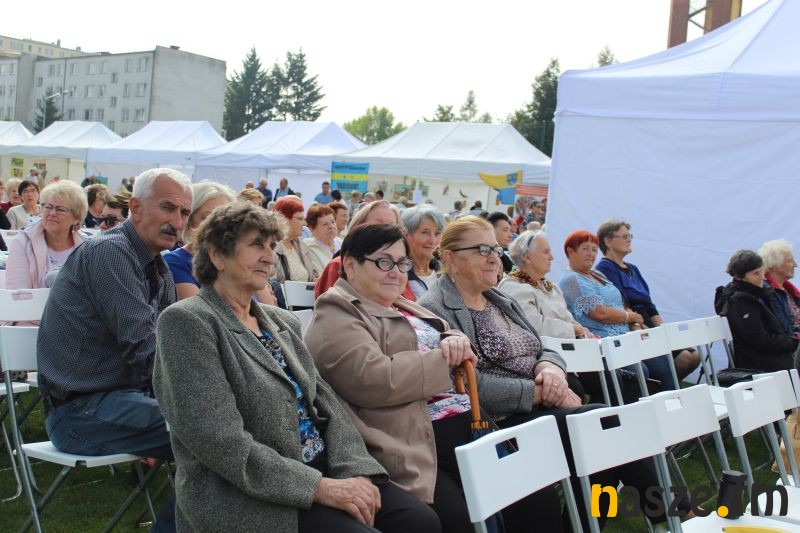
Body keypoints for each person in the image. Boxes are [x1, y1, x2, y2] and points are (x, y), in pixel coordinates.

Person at [154, 204, 435, 533]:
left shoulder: (280, 321)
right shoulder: (187, 322)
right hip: (251, 493)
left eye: (272, 246)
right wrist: (320, 488)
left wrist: (356, 471)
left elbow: (327, 405)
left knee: (420, 521)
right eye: (256, 245)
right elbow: (220, 441)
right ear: (217, 255)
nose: (269, 257)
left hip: (323, 467)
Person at [418, 216, 678, 530]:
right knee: (606, 425)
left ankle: (593, 523)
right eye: (481, 250)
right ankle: (673, 513)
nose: (494, 258)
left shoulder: (499, 299)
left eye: (496, 249)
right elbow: (462, 384)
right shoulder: (435, 309)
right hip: (496, 424)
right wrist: (539, 393)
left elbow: (543, 346)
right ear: (449, 258)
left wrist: (550, 369)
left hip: (538, 410)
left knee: (605, 456)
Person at [306, 224, 491, 532]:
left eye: (402, 263)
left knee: (528, 497)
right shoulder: (337, 310)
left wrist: (455, 339)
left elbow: (443, 330)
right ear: (350, 265)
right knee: (464, 518)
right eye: (383, 262)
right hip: (409, 442)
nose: (396, 272)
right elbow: (374, 378)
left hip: (466, 423)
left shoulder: (399, 303)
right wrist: (445, 361)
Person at [36, 168, 192, 530]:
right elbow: (148, 351)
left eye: (184, 212)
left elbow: (175, 345)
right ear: (135, 207)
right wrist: (211, 395)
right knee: (211, 434)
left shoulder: (156, 266)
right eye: (168, 207)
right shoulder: (111, 253)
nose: (177, 221)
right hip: (79, 413)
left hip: (123, 399)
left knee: (221, 432)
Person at [594, 220, 700, 388]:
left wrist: (663, 330)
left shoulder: (633, 269)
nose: (629, 239)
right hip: (634, 325)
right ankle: (662, 389)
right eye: (624, 236)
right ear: (608, 241)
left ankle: (658, 388)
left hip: (648, 322)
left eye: (630, 236)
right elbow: (620, 303)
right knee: (684, 358)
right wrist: (645, 328)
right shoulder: (604, 269)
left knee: (693, 356)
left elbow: (650, 305)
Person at [558, 230, 648, 402]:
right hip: (603, 345)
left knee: (664, 361)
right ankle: (616, 412)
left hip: (626, 336)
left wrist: (635, 324)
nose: (591, 254)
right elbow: (600, 313)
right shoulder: (570, 281)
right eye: (585, 248)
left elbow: (620, 301)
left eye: (594, 249)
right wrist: (632, 318)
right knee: (641, 372)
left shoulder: (597, 274)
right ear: (570, 251)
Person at [716, 250, 799, 371]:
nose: (762, 277)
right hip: (761, 364)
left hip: (774, 356)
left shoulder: (758, 293)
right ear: (739, 276)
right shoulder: (740, 302)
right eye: (756, 273)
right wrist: (794, 341)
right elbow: (761, 342)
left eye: (762, 271)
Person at [498, 230, 590, 339]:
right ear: (527, 257)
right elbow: (532, 326)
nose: (551, 257)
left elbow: (568, 319)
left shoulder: (552, 288)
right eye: (546, 252)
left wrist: (582, 331)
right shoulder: (513, 287)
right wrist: (574, 329)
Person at [313, 200, 413, 300]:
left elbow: (409, 301)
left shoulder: (398, 267)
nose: (385, 231)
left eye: (391, 226)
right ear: (358, 227)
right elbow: (332, 304)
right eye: (377, 225)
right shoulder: (339, 265)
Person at [6, 181, 89, 290]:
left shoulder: (88, 247)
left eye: (60, 209)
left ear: (76, 217)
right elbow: (17, 293)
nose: (52, 213)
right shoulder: (24, 243)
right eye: (48, 207)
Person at [163, 180, 236, 300]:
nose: (220, 224)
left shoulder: (236, 261)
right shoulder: (175, 263)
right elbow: (200, 311)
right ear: (190, 221)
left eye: (226, 218)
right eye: (208, 217)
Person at [759, 239, 800, 336]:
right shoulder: (769, 292)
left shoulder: (788, 290)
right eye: (790, 261)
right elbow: (785, 329)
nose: (795, 265)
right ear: (774, 265)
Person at [401, 205, 444, 299]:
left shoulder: (445, 271)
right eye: (425, 232)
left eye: (437, 233)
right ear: (406, 234)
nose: (432, 241)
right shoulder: (397, 275)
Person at [273, 196, 319, 282]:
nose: (304, 223)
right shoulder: (270, 247)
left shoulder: (302, 246)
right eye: (300, 219)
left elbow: (313, 275)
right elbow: (268, 283)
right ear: (284, 219)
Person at [303, 204, 341, 275]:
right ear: (312, 228)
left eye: (333, 222)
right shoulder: (308, 248)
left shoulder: (341, 243)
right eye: (325, 224)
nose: (331, 226)